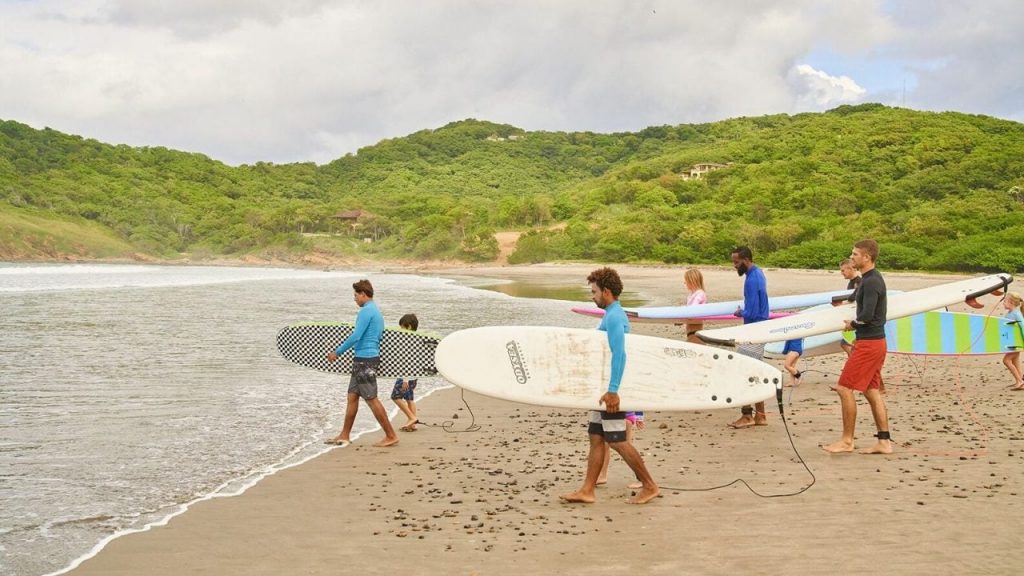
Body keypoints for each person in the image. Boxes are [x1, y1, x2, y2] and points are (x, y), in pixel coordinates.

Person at [560, 267, 659, 505]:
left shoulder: (615, 316)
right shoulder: (611, 313)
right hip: (603, 389)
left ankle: (649, 485)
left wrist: (613, 390)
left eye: (594, 292)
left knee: (616, 439)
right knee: (596, 437)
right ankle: (587, 490)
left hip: (611, 390)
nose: (592, 297)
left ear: (606, 291)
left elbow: (619, 354)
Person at [823, 240, 893, 455]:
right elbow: (857, 298)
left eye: (855, 254)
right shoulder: (867, 279)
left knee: (844, 388)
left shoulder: (871, 282)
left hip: (869, 343)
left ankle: (847, 441)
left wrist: (851, 324)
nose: (851, 258)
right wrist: (841, 304)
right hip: (875, 342)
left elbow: (867, 316)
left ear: (867, 257)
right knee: (871, 390)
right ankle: (884, 442)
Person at [325, 279, 399, 448]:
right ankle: (344, 434)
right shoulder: (377, 312)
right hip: (365, 359)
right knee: (352, 397)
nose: (355, 299)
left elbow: (357, 335)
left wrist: (337, 352)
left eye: (356, 295)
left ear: (364, 294)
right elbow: (379, 337)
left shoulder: (366, 311)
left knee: (371, 398)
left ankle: (391, 435)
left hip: (365, 360)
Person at [727, 246, 770, 429]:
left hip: (754, 331)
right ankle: (760, 415)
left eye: (736, 263)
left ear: (746, 260)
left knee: (742, 371)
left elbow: (751, 311)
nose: (735, 266)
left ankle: (747, 415)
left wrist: (739, 312)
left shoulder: (752, 279)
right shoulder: (758, 273)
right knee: (755, 371)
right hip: (760, 330)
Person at [596, 411, 646, 488]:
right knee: (605, 445)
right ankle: (603, 475)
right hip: (610, 416)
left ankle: (642, 479)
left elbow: (637, 399)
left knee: (627, 448)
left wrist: (639, 417)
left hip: (625, 417)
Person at [391, 313, 421, 430]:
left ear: (408, 327)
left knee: (395, 396)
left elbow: (406, 361)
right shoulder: (417, 339)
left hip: (406, 375)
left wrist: (405, 379)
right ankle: (412, 424)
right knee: (409, 399)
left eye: (402, 327)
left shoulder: (408, 341)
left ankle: (412, 418)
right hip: (414, 375)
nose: (400, 330)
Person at [838, 258, 862, 357]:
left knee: (848, 343)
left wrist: (843, 304)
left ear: (851, 268)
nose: (841, 273)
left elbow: (856, 301)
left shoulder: (859, 282)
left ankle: (853, 363)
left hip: (858, 319)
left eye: (843, 270)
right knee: (843, 342)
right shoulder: (852, 282)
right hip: (853, 318)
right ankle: (852, 362)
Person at [1002, 292, 1024, 391]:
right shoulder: (1011, 313)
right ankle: (1020, 382)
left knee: (1006, 360)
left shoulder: (1016, 314)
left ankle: (1020, 381)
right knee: (1015, 361)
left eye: (1005, 301)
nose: (1003, 303)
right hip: (1012, 342)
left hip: (1016, 343)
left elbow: (1023, 327)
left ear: (1011, 302)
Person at [683, 268, 707, 344]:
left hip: (695, 331)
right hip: (691, 331)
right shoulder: (691, 295)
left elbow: (693, 308)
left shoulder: (700, 293)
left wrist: (682, 316)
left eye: (686, 281)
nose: (684, 282)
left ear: (692, 281)